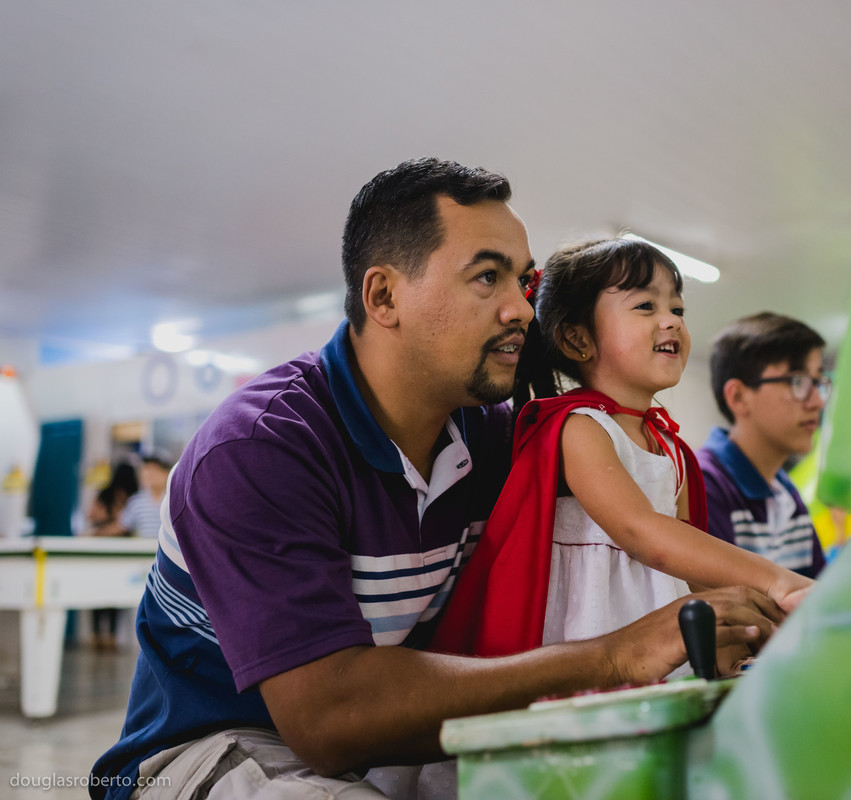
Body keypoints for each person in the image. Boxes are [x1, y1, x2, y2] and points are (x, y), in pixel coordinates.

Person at [90, 158, 782, 800]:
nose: (520, 308)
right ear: (384, 294)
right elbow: (329, 719)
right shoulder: (260, 449)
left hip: (402, 737)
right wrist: (612, 657)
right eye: (488, 277)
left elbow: (635, 535)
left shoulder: (495, 437)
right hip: (216, 747)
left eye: (523, 281)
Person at [432, 238, 812, 661]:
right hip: (589, 641)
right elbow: (643, 534)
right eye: (646, 307)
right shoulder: (580, 428)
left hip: (661, 642)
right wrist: (779, 581)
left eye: (678, 309)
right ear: (578, 340)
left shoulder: (672, 447)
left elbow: (692, 569)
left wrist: (747, 635)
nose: (670, 321)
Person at [698, 312, 830, 579]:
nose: (817, 402)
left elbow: (819, 596)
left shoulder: (785, 493)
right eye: (798, 381)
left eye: (817, 383)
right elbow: (727, 609)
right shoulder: (703, 485)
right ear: (738, 397)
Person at [86, 461, 138, 650]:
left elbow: (91, 515)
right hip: (121, 548)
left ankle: (96, 635)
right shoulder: (133, 496)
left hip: (101, 546)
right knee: (116, 592)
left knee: (97, 593)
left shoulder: (105, 493)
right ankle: (112, 637)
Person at [119, 454, 172, 539]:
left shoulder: (173, 501)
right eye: (146, 469)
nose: (148, 474)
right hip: (143, 549)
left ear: (167, 474)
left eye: (154, 470)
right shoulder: (136, 501)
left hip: (167, 551)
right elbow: (122, 526)